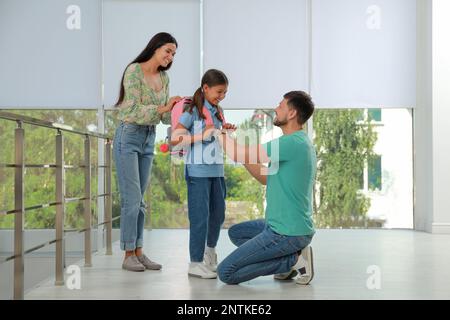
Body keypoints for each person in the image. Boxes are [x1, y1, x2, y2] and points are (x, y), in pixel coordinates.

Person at [214, 91, 316, 285]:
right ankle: (289, 257)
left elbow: (236, 154)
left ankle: (291, 261)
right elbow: (264, 177)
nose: (276, 109)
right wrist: (235, 146)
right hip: (278, 225)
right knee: (237, 233)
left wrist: (219, 134)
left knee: (226, 272)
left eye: (280, 105)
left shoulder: (291, 143)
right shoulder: (296, 143)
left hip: (287, 233)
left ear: (292, 113)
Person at [113, 32, 182, 272]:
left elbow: (161, 117)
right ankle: (127, 254)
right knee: (131, 199)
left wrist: (175, 109)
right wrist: (164, 106)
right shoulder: (134, 71)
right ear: (155, 47)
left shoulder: (164, 78)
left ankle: (139, 252)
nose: (170, 56)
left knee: (140, 201)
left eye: (173, 53)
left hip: (148, 137)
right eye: (168, 51)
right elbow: (131, 110)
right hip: (128, 136)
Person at [171, 69, 236, 279]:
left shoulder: (218, 111)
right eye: (219, 92)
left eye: (225, 93)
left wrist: (223, 128)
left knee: (217, 215)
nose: (221, 96)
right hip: (197, 172)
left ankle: (209, 254)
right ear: (205, 88)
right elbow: (175, 138)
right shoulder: (192, 111)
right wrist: (201, 136)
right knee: (200, 218)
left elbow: (215, 135)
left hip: (217, 170)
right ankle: (195, 262)